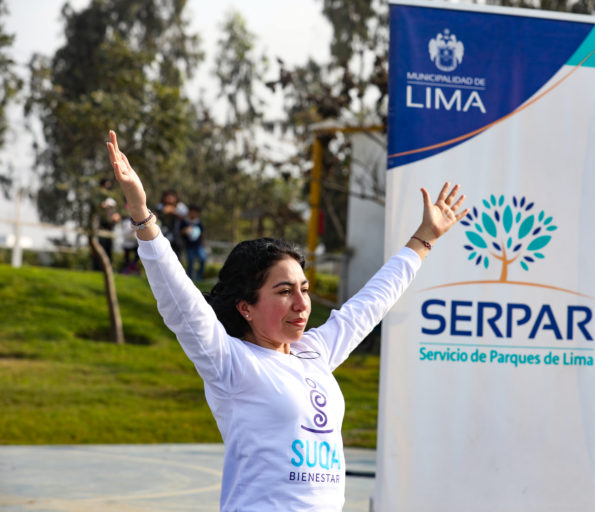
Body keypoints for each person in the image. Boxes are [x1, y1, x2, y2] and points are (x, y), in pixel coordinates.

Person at [106, 130, 467, 512]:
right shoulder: (231, 362)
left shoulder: (314, 353)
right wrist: (142, 216)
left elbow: (370, 304)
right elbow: (181, 302)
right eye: (284, 291)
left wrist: (424, 239)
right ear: (246, 306)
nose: (301, 303)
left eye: (305, 289)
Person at [155, 188, 188, 256]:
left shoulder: (181, 206)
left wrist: (174, 211)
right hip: (163, 234)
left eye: (171, 197)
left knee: (176, 255)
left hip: (177, 236)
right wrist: (163, 212)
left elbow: (186, 218)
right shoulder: (160, 206)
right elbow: (155, 217)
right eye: (167, 197)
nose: (169, 199)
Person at [180, 204, 207, 281]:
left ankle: (199, 278)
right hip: (189, 246)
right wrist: (185, 230)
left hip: (198, 246)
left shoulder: (199, 223)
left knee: (203, 259)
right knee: (191, 263)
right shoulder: (184, 222)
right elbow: (180, 232)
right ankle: (191, 279)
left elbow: (202, 234)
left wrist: (203, 243)